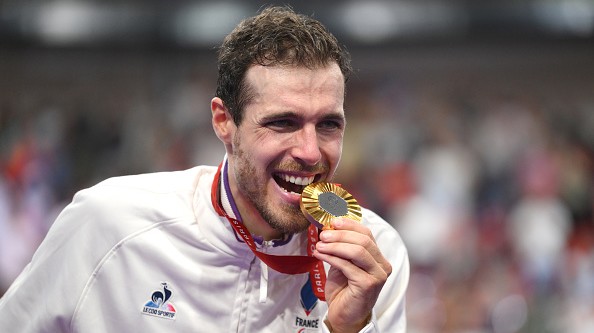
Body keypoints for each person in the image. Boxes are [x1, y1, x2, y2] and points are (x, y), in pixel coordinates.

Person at [0, 6, 409, 332]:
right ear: (224, 122)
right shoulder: (109, 226)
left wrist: (346, 329)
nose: (308, 151)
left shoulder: (374, 257)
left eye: (328, 125)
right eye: (282, 122)